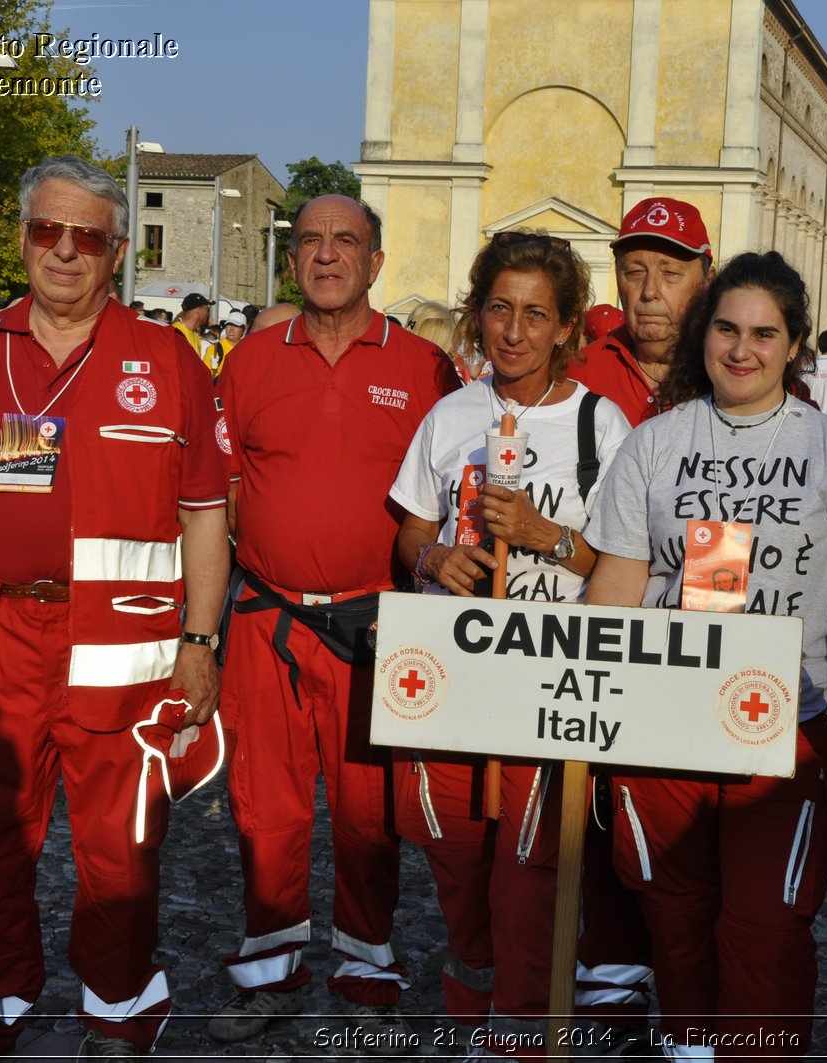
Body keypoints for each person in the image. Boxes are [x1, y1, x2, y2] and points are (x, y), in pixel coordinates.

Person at [0, 154, 230, 1059]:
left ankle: (119, 1010)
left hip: (127, 646)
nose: (65, 252)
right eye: (47, 231)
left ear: (117, 253)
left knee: (121, 849)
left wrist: (201, 639)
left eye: (88, 237)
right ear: (23, 238)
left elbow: (205, 517)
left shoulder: (168, 361)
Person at [585, 251, 827, 1058]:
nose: (742, 349)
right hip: (662, 728)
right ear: (705, 333)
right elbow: (616, 591)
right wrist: (586, 714)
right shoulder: (653, 444)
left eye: (764, 333)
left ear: (796, 343)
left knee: (767, 930)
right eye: (727, 329)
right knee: (676, 919)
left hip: (786, 731)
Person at [209, 194, 461, 1043]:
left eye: (345, 241)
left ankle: (366, 962)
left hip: (376, 627)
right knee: (265, 805)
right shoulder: (249, 362)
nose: (326, 255)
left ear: (375, 263)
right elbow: (223, 487)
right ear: (290, 262)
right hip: (266, 618)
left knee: (368, 810)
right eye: (310, 241)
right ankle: (268, 971)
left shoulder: (426, 368)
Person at [390, 229, 637, 1042]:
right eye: (500, 308)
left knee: (529, 880)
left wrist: (544, 533)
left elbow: (621, 562)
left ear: (568, 327)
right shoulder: (449, 414)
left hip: (549, 678)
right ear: (477, 315)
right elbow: (410, 535)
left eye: (537, 313)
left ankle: (524, 1034)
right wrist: (437, 559)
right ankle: (474, 1014)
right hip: (457, 675)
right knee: (456, 867)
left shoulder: (603, 426)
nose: (515, 329)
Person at [569, 197, 714, 426]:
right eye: (634, 272)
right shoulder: (577, 376)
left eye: (670, 274)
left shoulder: (731, 374)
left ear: (707, 282)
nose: (649, 291)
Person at [205, 310, 246, 378]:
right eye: (229, 325)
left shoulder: (247, 349)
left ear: (243, 329)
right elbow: (206, 376)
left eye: (236, 326)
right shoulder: (215, 349)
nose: (231, 329)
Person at [173, 292, 211, 361]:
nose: (208, 313)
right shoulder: (174, 332)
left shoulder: (196, 337)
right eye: (207, 309)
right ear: (199, 311)